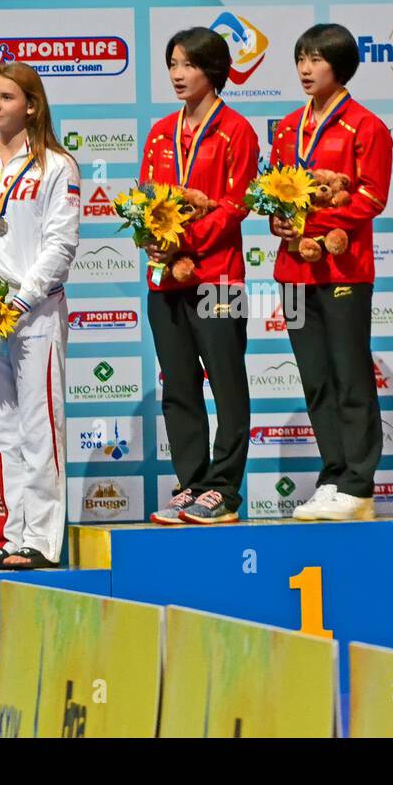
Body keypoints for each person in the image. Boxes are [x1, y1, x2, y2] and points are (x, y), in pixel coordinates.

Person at [0, 62, 80, 570]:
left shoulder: (56, 166)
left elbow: (60, 244)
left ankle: (41, 542)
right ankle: (5, 535)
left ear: (32, 105)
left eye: (6, 96)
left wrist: (20, 300)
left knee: (39, 427)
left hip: (36, 314)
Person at [267, 23, 393, 522]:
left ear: (339, 66)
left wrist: (319, 225)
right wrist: (277, 216)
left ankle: (359, 483)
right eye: (300, 57)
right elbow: (276, 188)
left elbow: (372, 196)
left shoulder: (367, 126)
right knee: (316, 379)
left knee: (349, 376)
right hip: (292, 270)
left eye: (316, 59)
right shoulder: (286, 127)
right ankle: (333, 475)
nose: (304, 68)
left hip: (343, 269)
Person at [141, 27, 259, 524]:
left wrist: (182, 240)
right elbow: (145, 199)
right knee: (179, 385)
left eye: (187, 64)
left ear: (213, 70)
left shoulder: (238, 130)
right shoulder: (161, 131)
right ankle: (191, 483)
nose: (176, 74)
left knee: (227, 383)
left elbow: (236, 207)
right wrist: (150, 234)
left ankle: (224, 490)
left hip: (218, 278)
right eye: (172, 63)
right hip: (165, 280)